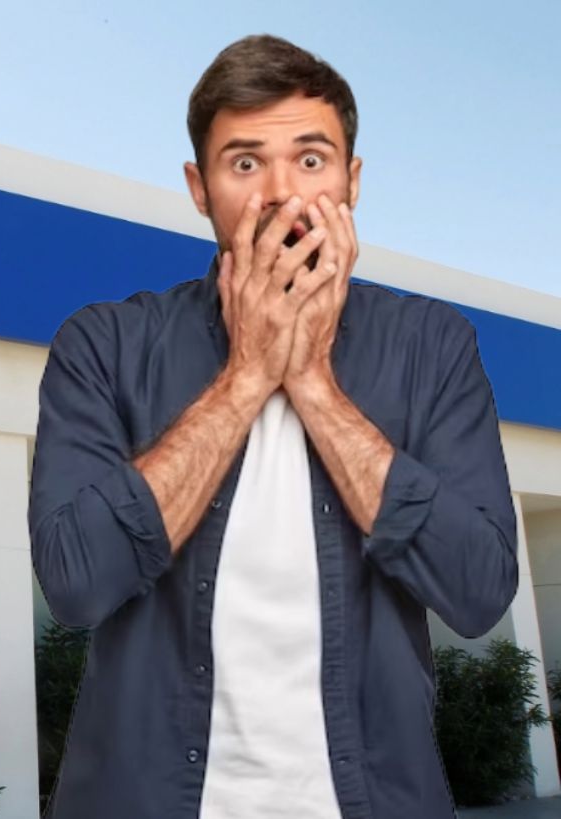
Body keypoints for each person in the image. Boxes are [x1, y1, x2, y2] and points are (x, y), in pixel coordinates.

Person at [28, 35, 516, 818]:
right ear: (199, 187)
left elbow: (479, 590)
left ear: (353, 179)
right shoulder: (104, 345)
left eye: (312, 159)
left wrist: (313, 384)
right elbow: (77, 583)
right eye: (246, 162)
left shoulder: (433, 345)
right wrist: (247, 376)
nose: (282, 193)